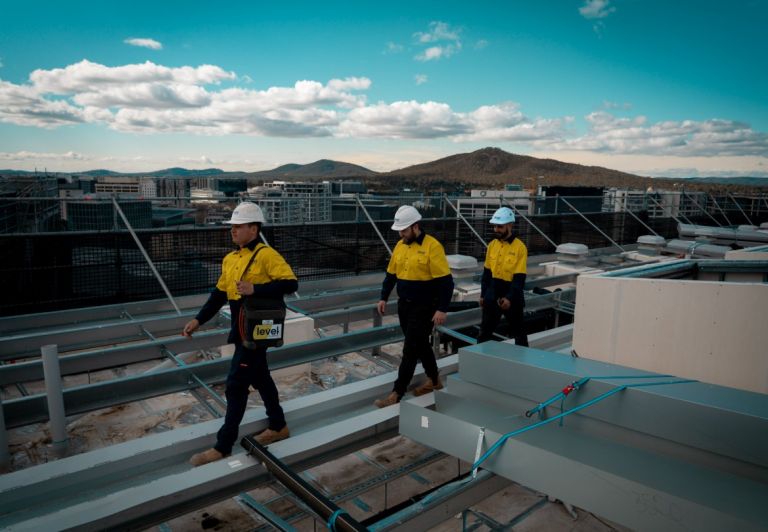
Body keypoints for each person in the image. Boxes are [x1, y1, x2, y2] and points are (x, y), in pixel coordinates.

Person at [184, 202, 298, 466]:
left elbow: (291, 283)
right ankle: (279, 425)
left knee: (236, 384)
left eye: (238, 226)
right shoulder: (230, 259)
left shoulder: (267, 255)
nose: (233, 231)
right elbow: (219, 294)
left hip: (257, 328)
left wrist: (255, 289)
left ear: (254, 228)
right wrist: (198, 319)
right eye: (232, 227)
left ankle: (223, 446)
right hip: (242, 327)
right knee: (261, 377)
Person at [374, 205, 454, 408]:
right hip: (405, 306)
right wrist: (383, 297)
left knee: (410, 349)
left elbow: (446, 282)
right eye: (400, 231)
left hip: (425, 306)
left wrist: (442, 309)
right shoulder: (401, 246)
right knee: (421, 345)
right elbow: (391, 275)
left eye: (404, 230)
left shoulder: (432, 246)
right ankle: (435, 380)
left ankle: (396, 393)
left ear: (415, 226)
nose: (401, 234)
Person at [478, 206, 529, 347]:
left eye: (499, 227)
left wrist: (509, 298)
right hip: (493, 290)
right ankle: (481, 362)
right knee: (484, 333)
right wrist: (483, 294)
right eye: (494, 226)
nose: (496, 230)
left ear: (510, 225)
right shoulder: (492, 245)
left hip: (511, 291)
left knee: (519, 334)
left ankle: (523, 363)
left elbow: (519, 278)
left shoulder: (520, 248)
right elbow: (487, 273)